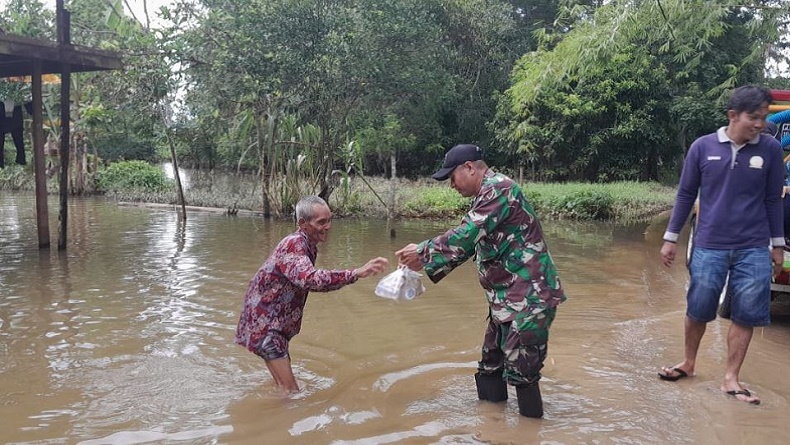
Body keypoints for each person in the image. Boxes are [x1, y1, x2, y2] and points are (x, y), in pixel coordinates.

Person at [395, 144, 566, 418]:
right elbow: (468, 246)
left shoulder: (499, 189)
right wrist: (421, 262)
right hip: (506, 300)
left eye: (452, 177)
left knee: (522, 373)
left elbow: (466, 235)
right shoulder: (486, 195)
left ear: (469, 168)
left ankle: (530, 431)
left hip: (528, 299)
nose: (451, 185)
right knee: (490, 365)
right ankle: (490, 425)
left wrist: (423, 253)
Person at [658, 85, 784, 405]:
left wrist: (777, 245)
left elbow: (773, 199)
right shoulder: (702, 147)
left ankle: (731, 378)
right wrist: (670, 238)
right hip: (709, 244)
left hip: (754, 246)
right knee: (698, 308)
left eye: (763, 117)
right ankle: (688, 363)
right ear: (732, 115)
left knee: (747, 314)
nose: (760, 124)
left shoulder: (770, 149)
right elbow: (686, 194)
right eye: (753, 117)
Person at [234, 195, 388, 393]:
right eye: (321, 222)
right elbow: (310, 279)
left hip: (270, 325)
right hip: (267, 326)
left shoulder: (307, 245)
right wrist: (355, 273)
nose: (328, 227)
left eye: (329, 220)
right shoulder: (295, 244)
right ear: (302, 223)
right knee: (291, 393)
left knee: (282, 388)